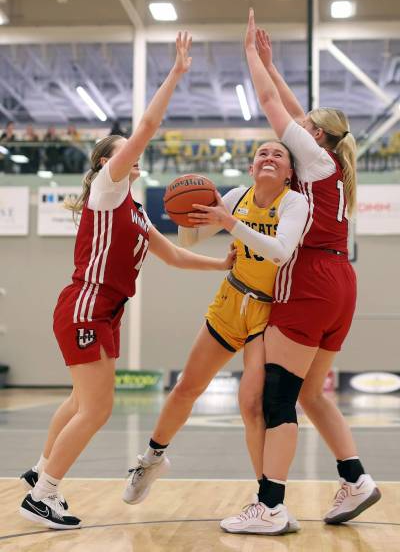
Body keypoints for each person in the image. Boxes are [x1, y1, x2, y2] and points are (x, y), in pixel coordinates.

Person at [18, 31, 236, 531]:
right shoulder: (108, 188)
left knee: (79, 403)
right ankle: (45, 493)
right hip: (86, 306)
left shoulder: (134, 210)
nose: (135, 154)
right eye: (124, 152)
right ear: (106, 162)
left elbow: (176, 256)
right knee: (97, 409)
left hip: (103, 311)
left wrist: (221, 265)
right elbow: (148, 124)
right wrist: (176, 74)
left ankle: (38, 472)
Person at [219, 9, 381, 536]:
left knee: (280, 396)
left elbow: (271, 104)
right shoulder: (331, 165)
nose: (297, 125)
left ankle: (269, 506)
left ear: (318, 138)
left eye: (307, 126)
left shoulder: (314, 163)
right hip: (341, 284)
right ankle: (356, 479)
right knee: (313, 394)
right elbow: (290, 107)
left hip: (309, 282)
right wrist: (271, 62)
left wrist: (250, 56)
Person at [122, 136, 309, 524]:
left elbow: (279, 251)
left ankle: (267, 501)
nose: (269, 157)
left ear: (290, 172)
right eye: (262, 153)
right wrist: (187, 217)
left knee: (251, 405)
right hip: (230, 300)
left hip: (266, 311)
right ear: (252, 166)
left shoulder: (293, 202)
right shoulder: (237, 195)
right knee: (187, 386)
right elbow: (191, 239)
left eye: (278, 154)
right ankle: (152, 458)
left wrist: (229, 222)